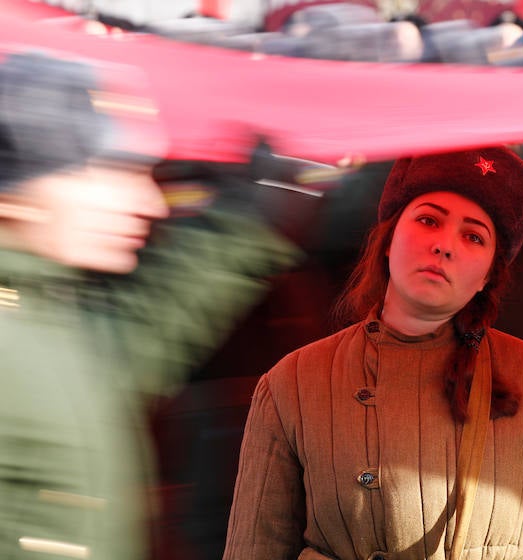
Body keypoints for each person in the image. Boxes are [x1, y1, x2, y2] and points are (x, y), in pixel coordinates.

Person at [223, 147, 523, 560]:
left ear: (487, 275)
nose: (444, 246)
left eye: (473, 236)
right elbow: (254, 548)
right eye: (429, 220)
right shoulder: (292, 382)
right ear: (389, 241)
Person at [0, 50, 299, 559]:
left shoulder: (46, 312)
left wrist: (251, 212)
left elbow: (143, 331)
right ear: (17, 189)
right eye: (109, 169)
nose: (150, 202)